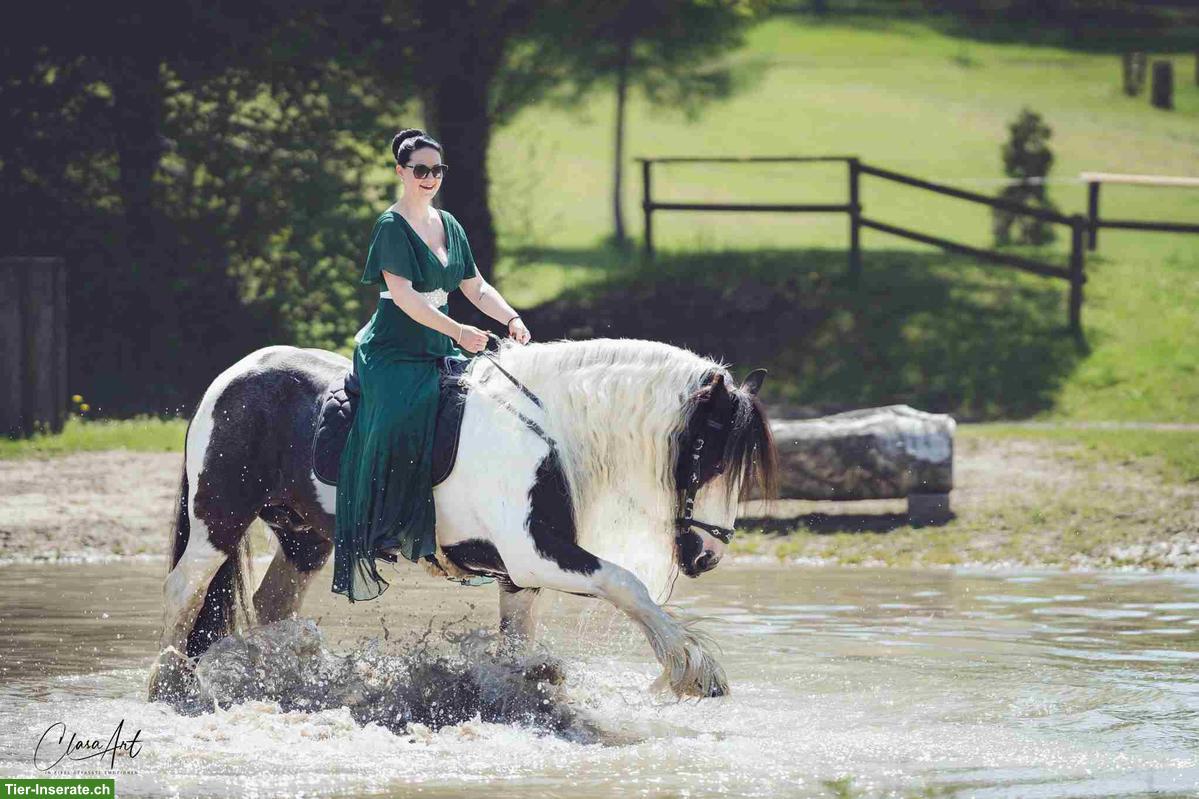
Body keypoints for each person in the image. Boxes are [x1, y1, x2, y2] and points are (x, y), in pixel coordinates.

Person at [332, 128, 532, 602]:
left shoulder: (449, 224)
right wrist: (459, 333)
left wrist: (511, 317)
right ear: (401, 172)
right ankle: (384, 531)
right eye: (419, 170)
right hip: (394, 347)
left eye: (436, 170)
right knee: (402, 416)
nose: (429, 178)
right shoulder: (390, 226)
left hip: (438, 340)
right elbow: (401, 296)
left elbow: (475, 287)